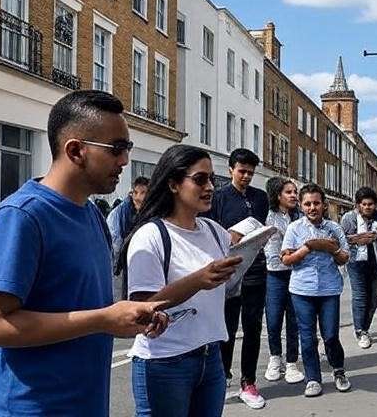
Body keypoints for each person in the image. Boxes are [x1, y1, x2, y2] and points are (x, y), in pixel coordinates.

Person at [0, 90, 168, 416]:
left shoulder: (92, 215)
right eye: (117, 149)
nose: (125, 161)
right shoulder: (22, 216)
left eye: (127, 149)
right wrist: (103, 319)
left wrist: (121, 320)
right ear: (75, 150)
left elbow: (84, 309)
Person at [125, 145, 243, 417]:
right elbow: (141, 308)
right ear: (173, 184)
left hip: (211, 356)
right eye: (200, 179)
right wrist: (199, 280)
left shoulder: (215, 231)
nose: (210, 187)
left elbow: (225, 287)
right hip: (165, 362)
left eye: (212, 179)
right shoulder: (151, 236)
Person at [203, 148, 269, 409]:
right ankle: (223, 377)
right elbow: (209, 230)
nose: (246, 177)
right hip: (229, 270)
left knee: (253, 328)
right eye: (242, 171)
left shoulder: (261, 198)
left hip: (254, 270)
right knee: (226, 329)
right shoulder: (218, 197)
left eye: (251, 173)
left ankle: (249, 381)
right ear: (230, 169)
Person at [281, 184, 352, 398]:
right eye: (308, 204)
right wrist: (307, 248)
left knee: (330, 334)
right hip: (302, 290)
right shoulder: (294, 228)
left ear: (324, 205)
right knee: (307, 336)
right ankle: (313, 378)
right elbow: (285, 259)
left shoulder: (334, 228)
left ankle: (338, 370)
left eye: (316, 203)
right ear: (302, 206)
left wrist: (332, 249)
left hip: (329, 289)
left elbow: (344, 258)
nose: (312, 207)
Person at [262, 177, 305, 384]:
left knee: (294, 319)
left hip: (297, 273)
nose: (294, 195)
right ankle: (275, 358)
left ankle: (291, 362)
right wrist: (292, 252)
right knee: (273, 318)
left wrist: (293, 252)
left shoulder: (299, 216)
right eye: (289, 192)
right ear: (278, 195)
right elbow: (272, 251)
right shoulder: (269, 216)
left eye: (295, 192)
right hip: (275, 274)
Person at [342, 187, 377, 349]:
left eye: (371, 204)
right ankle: (360, 330)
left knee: (374, 296)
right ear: (358, 205)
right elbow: (341, 238)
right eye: (364, 204)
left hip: (376, 262)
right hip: (356, 261)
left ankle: (365, 327)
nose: (367, 207)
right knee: (360, 296)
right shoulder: (349, 218)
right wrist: (357, 239)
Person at [110, 176, 150, 300]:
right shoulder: (120, 213)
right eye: (136, 193)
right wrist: (116, 266)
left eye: (143, 193)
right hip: (125, 262)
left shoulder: (153, 211)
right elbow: (115, 242)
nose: (138, 197)